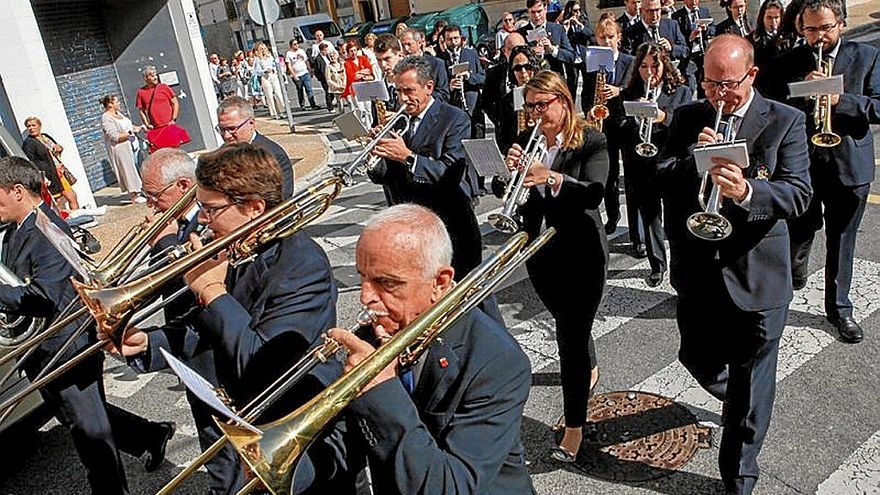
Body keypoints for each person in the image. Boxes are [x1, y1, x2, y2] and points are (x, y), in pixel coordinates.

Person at [111, 143, 339, 491]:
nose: (201, 219)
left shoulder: (301, 264)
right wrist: (148, 343)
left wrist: (212, 291)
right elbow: (203, 329)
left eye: (210, 208)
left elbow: (264, 364)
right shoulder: (235, 245)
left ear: (254, 208)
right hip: (227, 416)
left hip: (278, 428)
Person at [658, 34, 811, 494]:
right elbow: (658, 175)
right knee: (696, 357)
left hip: (756, 274)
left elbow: (798, 194)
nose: (718, 94)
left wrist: (745, 192)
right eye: (709, 83)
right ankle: (747, 403)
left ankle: (739, 474)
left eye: (728, 85)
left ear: (752, 75)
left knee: (750, 379)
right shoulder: (689, 116)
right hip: (699, 271)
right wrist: (693, 163)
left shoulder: (786, 121)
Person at [307, 204, 534, 494]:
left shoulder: (497, 363)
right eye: (362, 277)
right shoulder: (376, 333)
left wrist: (381, 390)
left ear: (440, 283)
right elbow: (348, 438)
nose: (365, 297)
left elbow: (450, 486)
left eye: (386, 283)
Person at [0, 156, 174, 494]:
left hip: (67, 345)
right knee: (76, 416)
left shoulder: (43, 231)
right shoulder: (16, 231)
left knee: (89, 431)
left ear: (18, 191)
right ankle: (151, 435)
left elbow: (43, 296)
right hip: (46, 347)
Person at [504, 70, 608, 463]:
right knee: (570, 324)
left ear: (563, 102)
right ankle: (590, 362)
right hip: (542, 252)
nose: (534, 114)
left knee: (569, 335)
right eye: (529, 106)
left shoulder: (591, 141)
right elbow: (511, 193)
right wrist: (510, 173)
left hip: (582, 254)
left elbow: (594, 193)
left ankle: (575, 426)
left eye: (541, 105)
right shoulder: (528, 142)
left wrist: (552, 176)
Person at [769, 0, 879, 343]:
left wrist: (839, 100)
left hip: (850, 166)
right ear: (801, 29)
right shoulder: (789, 61)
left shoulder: (867, 56)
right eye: (811, 29)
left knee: (842, 240)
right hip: (804, 164)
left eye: (826, 28)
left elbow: (879, 106)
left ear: (841, 25)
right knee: (799, 228)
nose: (818, 37)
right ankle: (797, 268)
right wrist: (803, 94)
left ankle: (839, 309)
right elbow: (772, 109)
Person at [367, 56, 483, 278]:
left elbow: (450, 173)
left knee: (469, 297)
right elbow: (388, 175)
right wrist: (376, 156)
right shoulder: (401, 121)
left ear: (429, 87)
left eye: (409, 91)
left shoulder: (454, 118)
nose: (402, 99)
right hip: (413, 228)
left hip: (450, 224)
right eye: (398, 91)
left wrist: (408, 157)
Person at [620, 42, 691, 285]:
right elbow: (620, 129)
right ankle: (657, 264)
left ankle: (680, 269)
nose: (649, 72)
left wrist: (663, 116)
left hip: (671, 164)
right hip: (642, 165)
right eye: (643, 66)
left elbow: (686, 128)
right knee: (650, 218)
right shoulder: (629, 93)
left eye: (655, 66)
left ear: (664, 66)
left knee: (675, 221)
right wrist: (634, 117)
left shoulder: (680, 91)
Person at [583, 15, 635, 235]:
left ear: (619, 38)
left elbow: (635, 89)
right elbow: (586, 92)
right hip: (605, 125)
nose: (606, 41)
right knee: (610, 175)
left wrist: (619, 91)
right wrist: (589, 111)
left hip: (626, 123)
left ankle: (636, 231)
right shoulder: (592, 61)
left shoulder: (629, 60)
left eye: (610, 37)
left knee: (631, 178)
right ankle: (613, 216)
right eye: (602, 37)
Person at [215, 96, 294, 199]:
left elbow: (282, 196)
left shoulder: (273, 154)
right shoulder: (220, 154)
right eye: (221, 129)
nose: (226, 136)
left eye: (232, 129)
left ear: (251, 123)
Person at [21, 116, 80, 211]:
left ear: (39, 126)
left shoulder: (45, 136)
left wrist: (59, 148)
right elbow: (30, 162)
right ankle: (65, 223)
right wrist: (42, 177)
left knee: (72, 196)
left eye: (33, 125)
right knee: (58, 201)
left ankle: (79, 217)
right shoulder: (29, 143)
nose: (31, 128)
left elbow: (57, 149)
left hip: (59, 172)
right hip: (50, 175)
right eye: (28, 126)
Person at [438, 25, 485, 131]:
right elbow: (437, 87)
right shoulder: (440, 59)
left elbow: (483, 78)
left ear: (461, 38)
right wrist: (449, 86)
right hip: (453, 109)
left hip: (473, 108)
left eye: (456, 38)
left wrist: (469, 76)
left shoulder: (471, 54)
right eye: (449, 39)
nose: (453, 42)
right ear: (444, 40)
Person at [494, 46, 539, 155]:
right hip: (518, 153)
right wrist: (510, 152)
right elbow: (502, 137)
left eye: (527, 66)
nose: (523, 72)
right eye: (518, 68)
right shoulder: (507, 100)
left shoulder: (545, 95)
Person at [100, 94, 145, 204]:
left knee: (137, 166)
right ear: (110, 104)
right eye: (117, 101)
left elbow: (128, 127)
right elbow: (113, 136)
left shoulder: (118, 114)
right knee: (128, 169)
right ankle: (134, 195)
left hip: (131, 145)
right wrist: (130, 134)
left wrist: (139, 128)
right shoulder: (106, 118)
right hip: (120, 147)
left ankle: (141, 190)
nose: (119, 103)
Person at [517, 0, 576, 76]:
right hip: (533, 81)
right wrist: (529, 53)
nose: (536, 16)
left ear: (545, 9)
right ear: (528, 11)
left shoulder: (558, 29)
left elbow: (571, 56)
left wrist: (553, 49)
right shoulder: (520, 33)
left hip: (555, 80)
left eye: (539, 11)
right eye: (533, 12)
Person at [622, 0, 689, 62]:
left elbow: (685, 51)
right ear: (641, 11)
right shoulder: (630, 33)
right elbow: (628, 60)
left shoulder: (672, 25)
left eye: (657, 10)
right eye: (650, 11)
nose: (654, 15)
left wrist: (671, 48)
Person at [672, 0, 714, 97]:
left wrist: (706, 29)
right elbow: (678, 38)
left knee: (704, 83)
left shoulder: (704, 11)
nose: (694, 2)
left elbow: (714, 29)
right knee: (691, 84)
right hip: (689, 56)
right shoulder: (677, 16)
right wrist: (690, 37)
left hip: (703, 53)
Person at [399, 28, 451, 102]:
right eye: (403, 45)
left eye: (409, 44)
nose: (406, 49)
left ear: (419, 43)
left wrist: (421, 94)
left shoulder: (436, 63)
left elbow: (444, 94)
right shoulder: (400, 66)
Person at [559, 1, 594, 105]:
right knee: (572, 84)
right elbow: (560, 41)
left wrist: (580, 25)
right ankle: (571, 107)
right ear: (569, 11)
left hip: (584, 57)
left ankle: (586, 107)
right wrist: (565, 29)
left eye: (579, 10)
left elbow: (591, 35)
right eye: (575, 11)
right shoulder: (564, 24)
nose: (577, 13)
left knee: (587, 84)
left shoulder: (584, 22)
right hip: (571, 58)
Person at [254, 42, 286, 119]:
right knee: (269, 96)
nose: (264, 50)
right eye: (261, 49)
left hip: (273, 76)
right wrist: (264, 70)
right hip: (265, 78)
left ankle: (281, 110)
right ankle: (275, 113)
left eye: (264, 48)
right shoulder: (258, 60)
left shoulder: (271, 57)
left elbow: (276, 65)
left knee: (278, 94)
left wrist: (273, 69)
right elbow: (256, 71)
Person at [285, 38, 320, 110]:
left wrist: (310, 70)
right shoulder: (289, 54)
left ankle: (313, 104)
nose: (296, 45)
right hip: (297, 75)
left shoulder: (301, 51)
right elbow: (289, 65)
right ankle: (302, 105)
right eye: (294, 44)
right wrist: (294, 75)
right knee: (300, 90)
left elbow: (306, 61)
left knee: (309, 89)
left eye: (297, 44)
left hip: (305, 73)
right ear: (291, 46)